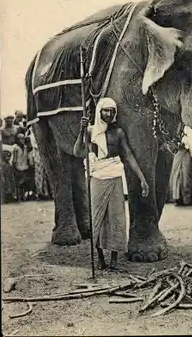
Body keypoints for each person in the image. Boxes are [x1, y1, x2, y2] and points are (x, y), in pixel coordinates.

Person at [74, 97, 149, 270]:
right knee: (97, 217)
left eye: (111, 111)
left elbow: (128, 155)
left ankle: (114, 260)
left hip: (114, 175)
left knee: (117, 218)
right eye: (105, 110)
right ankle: (100, 258)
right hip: (97, 176)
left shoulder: (118, 133)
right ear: (99, 111)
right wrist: (81, 131)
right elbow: (77, 151)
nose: (108, 114)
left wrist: (142, 179)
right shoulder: (90, 131)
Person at [12, 133, 31, 201]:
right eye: (21, 139)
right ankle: (18, 197)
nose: (22, 140)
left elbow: (27, 157)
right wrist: (15, 168)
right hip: (18, 167)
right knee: (19, 183)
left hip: (25, 167)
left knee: (24, 182)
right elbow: (14, 159)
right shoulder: (16, 148)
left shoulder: (25, 147)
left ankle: (24, 196)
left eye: (23, 139)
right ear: (17, 140)